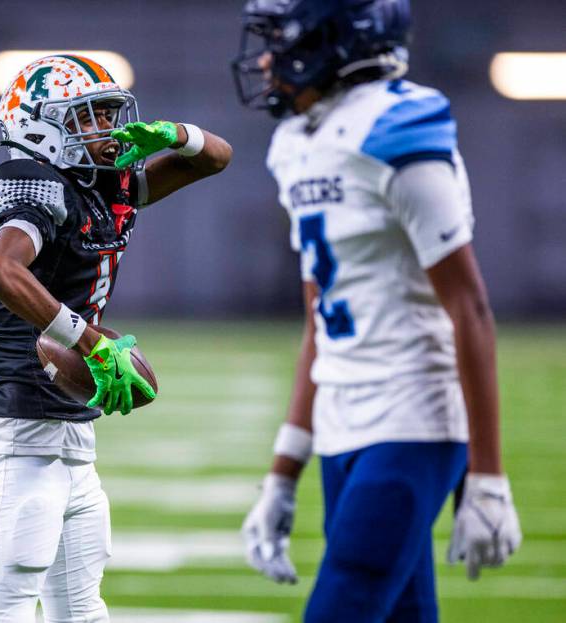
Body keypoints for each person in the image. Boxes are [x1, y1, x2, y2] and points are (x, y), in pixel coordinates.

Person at [233, 1, 522, 621]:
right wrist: (285, 470)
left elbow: (469, 307)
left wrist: (488, 476)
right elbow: (321, 319)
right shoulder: (295, 143)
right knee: (404, 613)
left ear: (335, 42)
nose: (264, 59)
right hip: (341, 418)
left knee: (344, 604)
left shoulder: (397, 128)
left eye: (281, 40)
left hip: (413, 415)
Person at [0, 54, 232, 622]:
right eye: (88, 118)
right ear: (40, 125)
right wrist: (88, 341)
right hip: (21, 433)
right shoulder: (33, 180)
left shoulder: (104, 186)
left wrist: (175, 134)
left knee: (83, 611)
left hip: (72, 436)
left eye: (109, 115)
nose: (107, 131)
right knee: (9, 611)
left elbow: (215, 157)